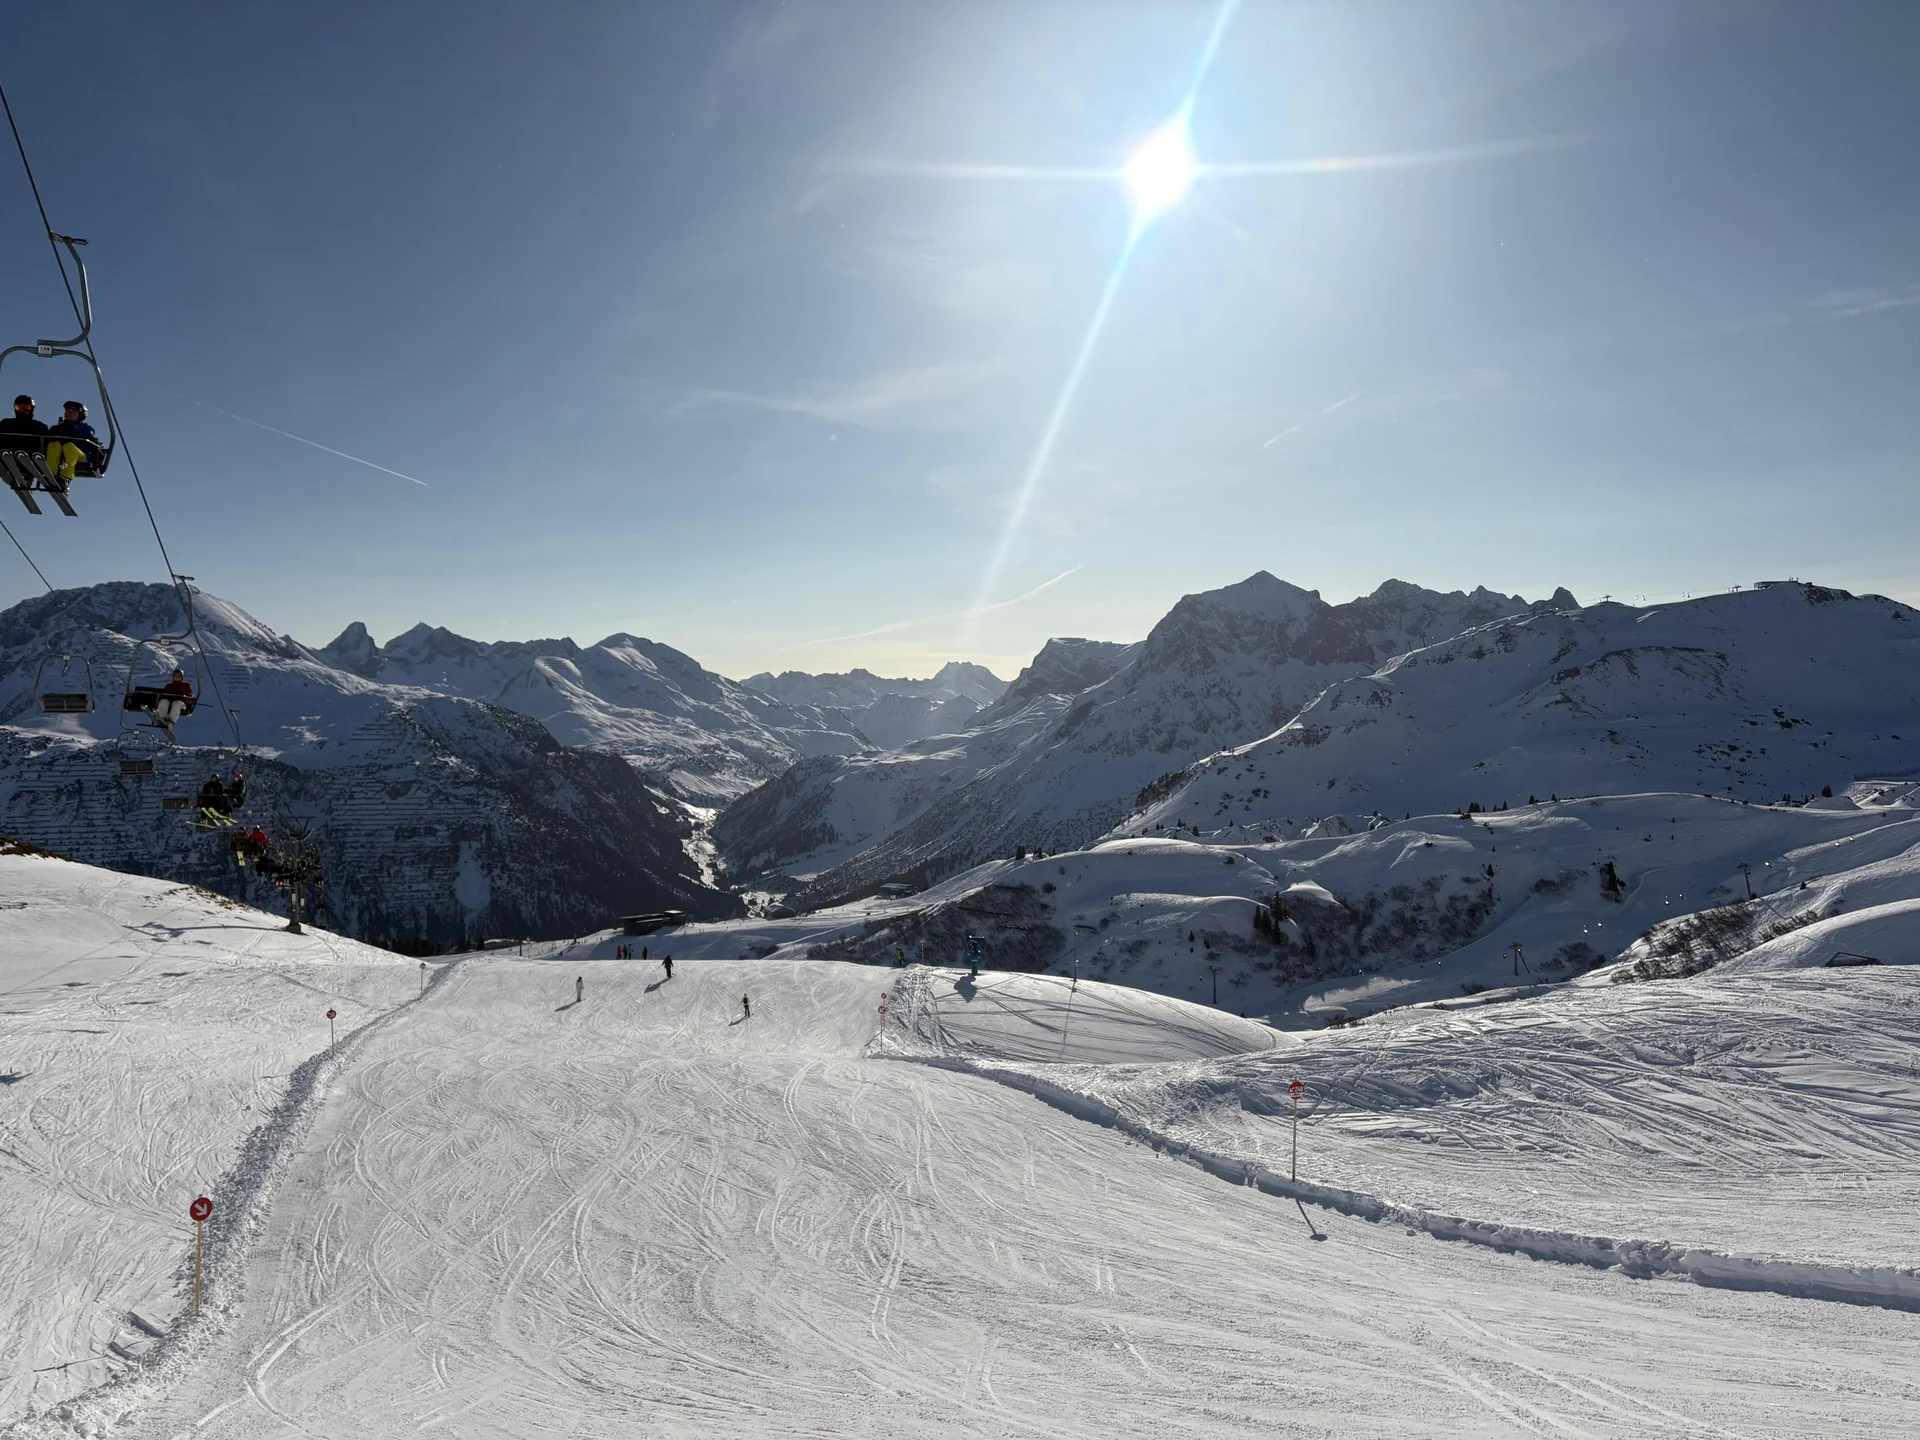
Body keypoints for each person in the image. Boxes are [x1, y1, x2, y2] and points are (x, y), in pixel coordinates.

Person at [45, 401, 101, 482]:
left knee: (69, 447)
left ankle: (65, 478)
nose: (69, 414)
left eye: (73, 412)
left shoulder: (85, 429)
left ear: (80, 415)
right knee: (54, 445)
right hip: (61, 451)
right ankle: (51, 474)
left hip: (80, 454)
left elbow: (90, 443)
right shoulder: (57, 428)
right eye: (68, 412)